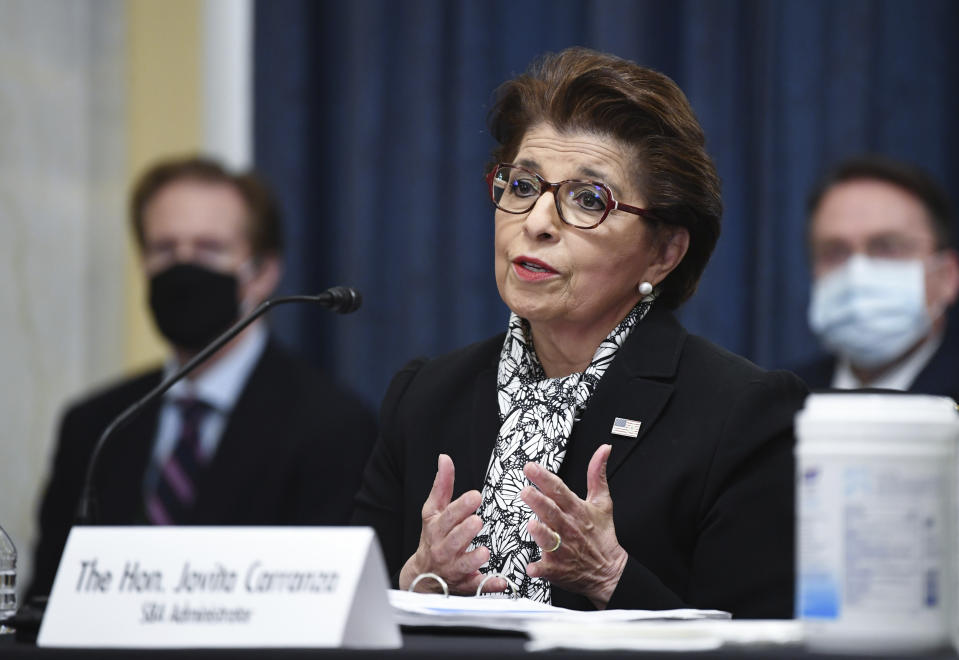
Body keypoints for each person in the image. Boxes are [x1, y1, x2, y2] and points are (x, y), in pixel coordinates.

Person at [354, 48, 807, 618]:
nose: (537, 222)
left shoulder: (741, 414)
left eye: (588, 200)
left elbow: (760, 642)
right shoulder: (424, 397)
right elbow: (346, 620)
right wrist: (415, 580)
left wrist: (611, 577)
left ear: (663, 252)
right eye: (522, 186)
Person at [28, 155, 377, 599]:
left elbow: (326, 604)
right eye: (165, 250)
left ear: (264, 272)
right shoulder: (95, 426)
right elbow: (45, 602)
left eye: (209, 249)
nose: (183, 267)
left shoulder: (333, 427)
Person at [794, 155, 959, 396]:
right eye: (835, 252)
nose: (856, 272)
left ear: (947, 276)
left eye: (888, 247)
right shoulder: (781, 401)